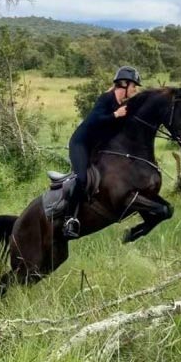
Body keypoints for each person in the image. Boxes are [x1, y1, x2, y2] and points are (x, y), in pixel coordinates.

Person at [61, 66, 140, 239]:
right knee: (81, 179)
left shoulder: (124, 106)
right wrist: (115, 115)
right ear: (124, 84)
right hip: (81, 144)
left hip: (98, 148)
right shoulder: (106, 99)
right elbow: (93, 121)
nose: (135, 89)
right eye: (134, 85)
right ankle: (69, 219)